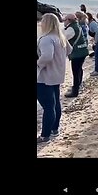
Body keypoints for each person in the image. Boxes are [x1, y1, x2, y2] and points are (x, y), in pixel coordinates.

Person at [37, 13, 73, 143]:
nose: (41, 23)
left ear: (46, 23)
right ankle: (54, 129)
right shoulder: (60, 37)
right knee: (55, 103)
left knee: (48, 105)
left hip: (45, 76)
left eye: (42, 21)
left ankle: (45, 135)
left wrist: (38, 63)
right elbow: (70, 50)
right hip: (57, 74)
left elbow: (47, 56)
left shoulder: (46, 39)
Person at [63, 14, 89, 97]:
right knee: (79, 70)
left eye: (65, 20)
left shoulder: (71, 28)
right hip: (83, 51)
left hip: (77, 53)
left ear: (69, 20)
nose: (64, 21)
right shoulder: (77, 26)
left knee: (75, 71)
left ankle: (75, 91)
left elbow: (63, 38)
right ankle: (78, 86)